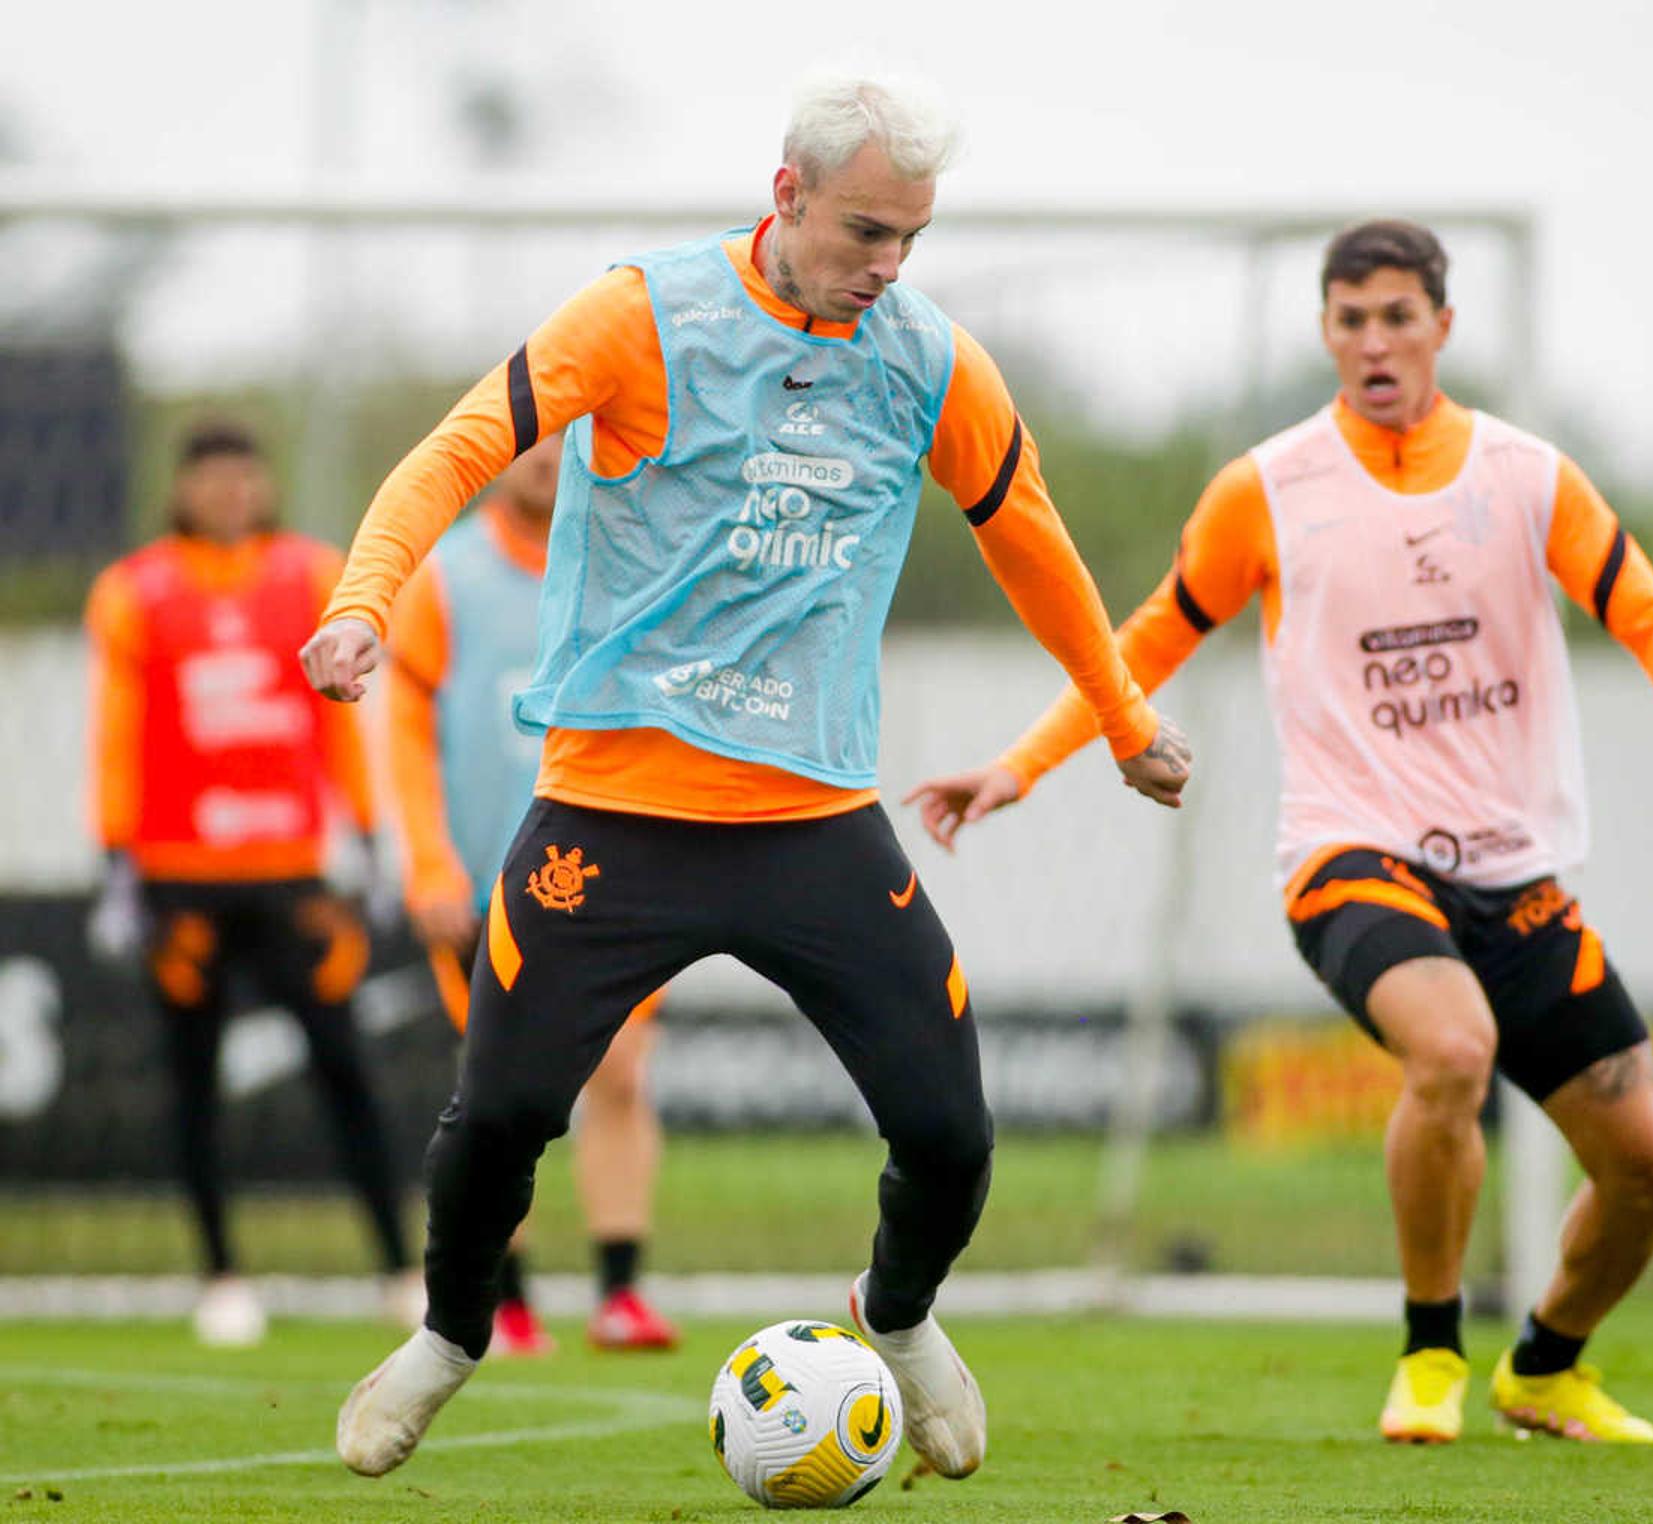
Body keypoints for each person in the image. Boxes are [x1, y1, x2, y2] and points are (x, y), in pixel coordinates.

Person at [300, 70, 1192, 1480]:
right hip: (610, 817)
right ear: (786, 196)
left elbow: (1026, 531)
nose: (886, 268)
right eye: (862, 235)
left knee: (952, 1133)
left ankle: (893, 1319)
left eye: (910, 240)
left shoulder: (929, 357)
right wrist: (363, 599)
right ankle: (450, 1337)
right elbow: (464, 447)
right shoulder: (642, 313)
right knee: (504, 1119)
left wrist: (1125, 716)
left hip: (814, 824)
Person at [906, 219, 1653, 1446]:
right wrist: (1022, 766)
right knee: (1451, 1051)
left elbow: (1647, 608)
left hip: (1513, 876)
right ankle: (1430, 1352)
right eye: (1350, 318)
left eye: (1396, 316)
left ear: (1443, 325)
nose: (1374, 340)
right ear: (1326, 331)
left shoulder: (1527, 475)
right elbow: (1149, 638)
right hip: (1349, 855)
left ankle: (1544, 1370)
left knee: (1650, 1166)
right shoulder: (1268, 489)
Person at [83, 419, 417, 1347]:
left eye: (245, 477)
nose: (231, 494)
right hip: (182, 881)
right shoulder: (133, 591)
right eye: (212, 479)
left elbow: (342, 719)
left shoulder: (311, 574)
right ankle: (222, 1275)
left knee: (346, 1069)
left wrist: (366, 835)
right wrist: (115, 860)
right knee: (191, 1082)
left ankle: (398, 1267)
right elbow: (115, 732)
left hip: (290, 878)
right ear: (183, 489)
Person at [385, 431, 677, 1355]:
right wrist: (429, 865)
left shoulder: (635, 569)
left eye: (575, 440)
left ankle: (620, 1293)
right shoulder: (449, 577)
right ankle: (505, 1301)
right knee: (499, 1095)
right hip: (485, 885)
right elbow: (404, 732)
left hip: (619, 876)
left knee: (623, 1076)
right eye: (539, 441)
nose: (553, 459)